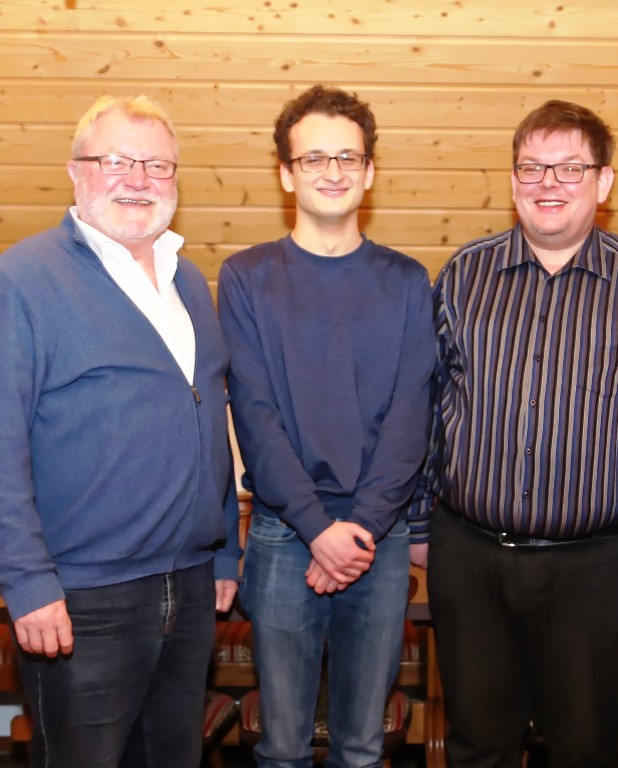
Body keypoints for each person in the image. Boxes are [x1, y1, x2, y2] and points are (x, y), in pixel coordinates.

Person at [0, 95, 241, 767]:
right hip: (82, 599)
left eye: (157, 165)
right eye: (115, 161)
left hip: (191, 584)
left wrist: (224, 552)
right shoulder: (18, 284)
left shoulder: (188, 281)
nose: (138, 179)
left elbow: (206, 417)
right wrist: (28, 584)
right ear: (75, 171)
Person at [417, 99, 618, 768]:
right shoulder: (463, 276)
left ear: (603, 182)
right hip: (471, 557)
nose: (548, 184)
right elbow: (426, 402)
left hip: (596, 566)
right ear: (513, 181)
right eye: (532, 168)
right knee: (478, 748)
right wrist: (418, 525)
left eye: (569, 168)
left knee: (584, 751)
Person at [218, 84, 433, 768]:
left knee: (363, 747)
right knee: (281, 746)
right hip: (284, 535)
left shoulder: (408, 281)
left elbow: (412, 417)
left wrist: (358, 528)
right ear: (287, 173)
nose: (332, 171)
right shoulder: (246, 277)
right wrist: (317, 529)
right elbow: (255, 416)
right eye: (313, 158)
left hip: (379, 536)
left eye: (347, 157)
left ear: (369, 171)